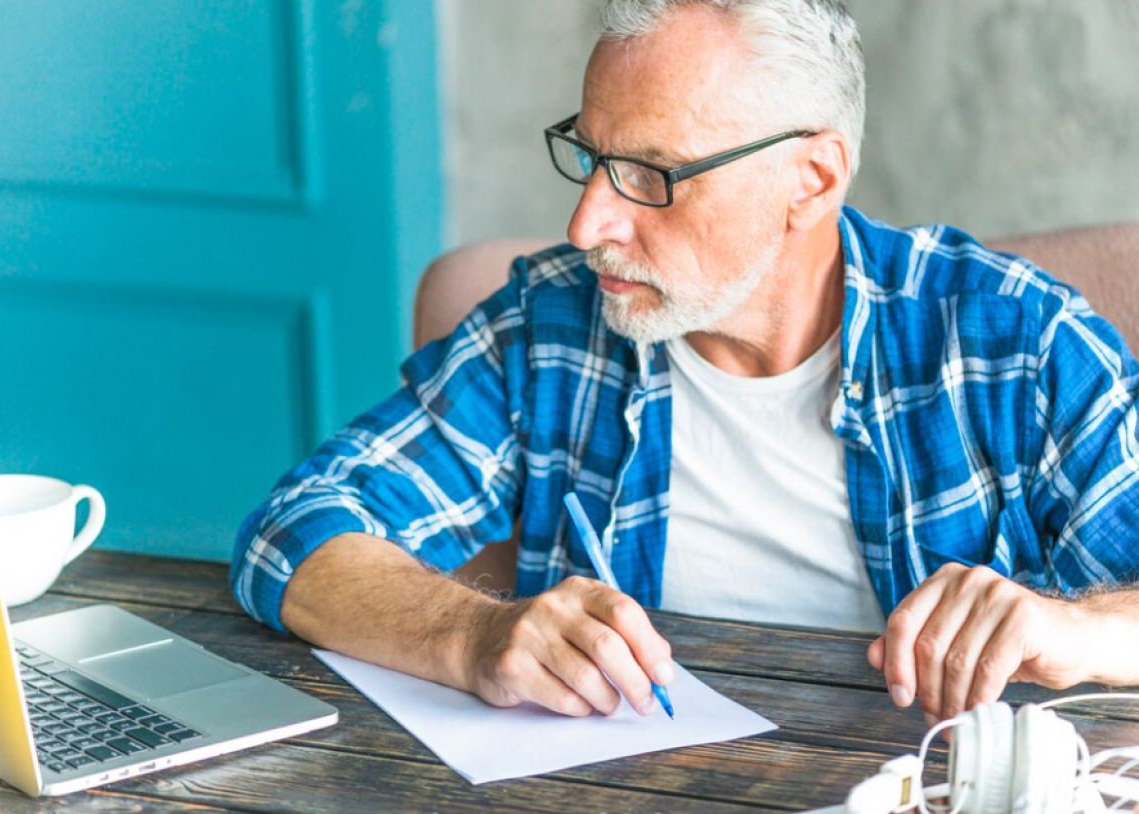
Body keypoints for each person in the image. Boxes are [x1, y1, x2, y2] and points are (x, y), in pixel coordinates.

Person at [231, 0, 1139, 729]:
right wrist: (476, 632)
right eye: (591, 158)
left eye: (652, 174)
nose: (588, 226)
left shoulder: (1014, 343)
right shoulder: (553, 328)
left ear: (812, 180)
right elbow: (295, 529)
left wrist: (1078, 628)